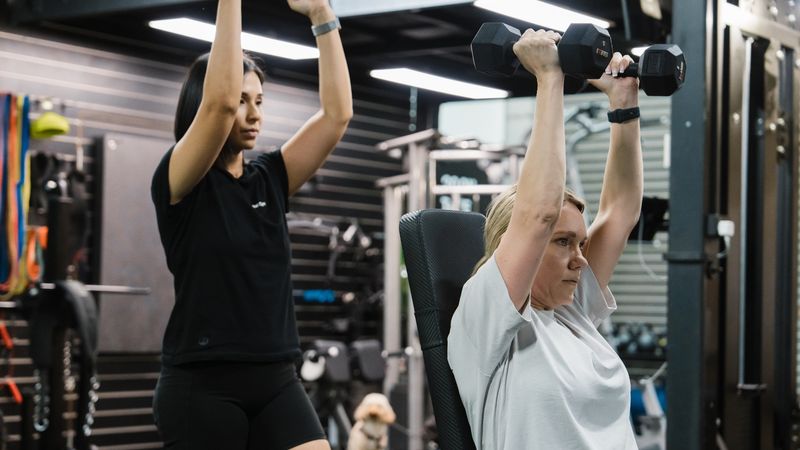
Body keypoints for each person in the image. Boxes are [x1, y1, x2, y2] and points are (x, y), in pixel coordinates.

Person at [149, 0, 351, 448]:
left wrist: (321, 15)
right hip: (202, 386)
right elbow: (217, 105)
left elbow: (336, 117)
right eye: (243, 101)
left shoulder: (270, 177)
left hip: (277, 379)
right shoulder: (181, 179)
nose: (254, 113)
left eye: (259, 101)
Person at [447, 28, 643, 450]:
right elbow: (539, 214)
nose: (582, 259)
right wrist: (549, 78)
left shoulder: (572, 313)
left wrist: (623, 104)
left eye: (580, 242)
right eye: (562, 242)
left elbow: (621, 211)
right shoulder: (488, 315)